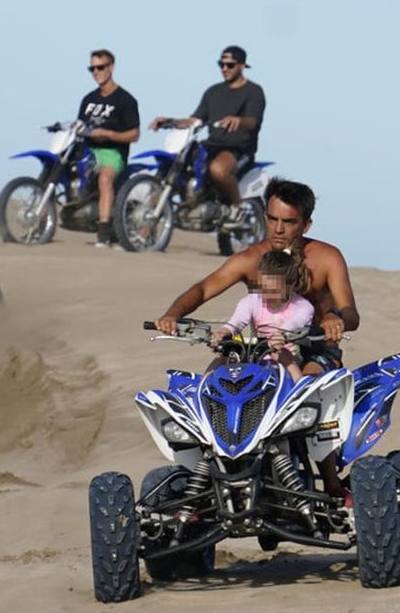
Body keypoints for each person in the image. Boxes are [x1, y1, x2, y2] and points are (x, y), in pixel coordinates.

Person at [153, 179, 358, 495]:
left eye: (289, 222)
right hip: (261, 354)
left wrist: (333, 318)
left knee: (308, 390)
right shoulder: (252, 258)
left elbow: (350, 313)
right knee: (217, 385)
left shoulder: (327, 258)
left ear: (306, 224)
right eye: (272, 218)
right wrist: (172, 314)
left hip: (314, 351)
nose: (278, 229)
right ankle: (205, 478)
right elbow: (205, 288)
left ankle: (331, 484)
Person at [149, 45, 266, 224]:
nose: (225, 69)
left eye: (230, 65)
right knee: (175, 164)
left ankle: (237, 208)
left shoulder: (254, 91)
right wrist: (168, 121)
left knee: (217, 170)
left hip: (239, 148)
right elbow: (194, 120)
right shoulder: (213, 92)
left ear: (242, 65)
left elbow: (253, 121)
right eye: (222, 64)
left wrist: (239, 121)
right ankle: (141, 232)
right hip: (212, 144)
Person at [210, 249, 314, 381]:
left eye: (274, 290)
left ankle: (298, 390)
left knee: (283, 355)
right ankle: (203, 388)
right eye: (264, 288)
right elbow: (237, 321)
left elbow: (294, 324)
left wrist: (281, 336)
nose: (267, 294)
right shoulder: (251, 301)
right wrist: (225, 331)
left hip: (287, 355)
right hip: (254, 354)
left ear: (291, 285)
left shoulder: (303, 307)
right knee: (224, 355)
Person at [77, 49, 140, 247]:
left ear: (111, 67)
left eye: (100, 67)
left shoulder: (125, 100)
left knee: (105, 178)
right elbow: (81, 125)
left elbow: (135, 134)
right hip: (87, 150)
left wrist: (108, 134)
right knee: (58, 164)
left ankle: (103, 232)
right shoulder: (88, 99)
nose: (96, 72)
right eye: (92, 68)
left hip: (112, 152)